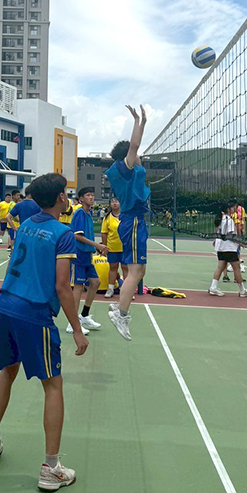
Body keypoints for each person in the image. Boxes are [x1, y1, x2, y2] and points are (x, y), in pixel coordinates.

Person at [0, 172, 87, 491]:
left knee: (8, 371)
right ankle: (51, 467)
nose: (68, 197)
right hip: (34, 312)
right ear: (61, 197)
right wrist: (77, 329)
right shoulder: (62, 233)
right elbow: (62, 287)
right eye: (66, 193)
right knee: (53, 385)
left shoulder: (25, 225)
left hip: (5, 305)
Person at [103, 105, 151, 341]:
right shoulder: (125, 168)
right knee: (134, 270)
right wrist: (137, 122)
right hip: (131, 222)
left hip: (135, 221)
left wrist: (143, 123)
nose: (139, 155)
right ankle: (121, 314)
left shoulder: (130, 171)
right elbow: (134, 146)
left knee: (140, 270)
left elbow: (135, 147)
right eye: (135, 153)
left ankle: (119, 304)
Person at [66, 187, 108, 335]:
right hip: (78, 255)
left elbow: (87, 236)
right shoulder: (79, 213)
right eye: (88, 195)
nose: (91, 197)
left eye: (92, 195)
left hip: (87, 255)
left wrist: (95, 248)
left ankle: (84, 315)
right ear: (81, 199)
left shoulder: (88, 214)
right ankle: (72, 323)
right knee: (78, 287)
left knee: (95, 282)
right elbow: (77, 236)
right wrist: (97, 245)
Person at [209, 203, 247, 298]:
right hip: (229, 248)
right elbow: (231, 236)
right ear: (228, 209)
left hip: (221, 248)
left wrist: (216, 241)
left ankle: (213, 287)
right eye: (233, 207)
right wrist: (240, 243)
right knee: (236, 268)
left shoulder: (220, 219)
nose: (235, 209)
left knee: (220, 267)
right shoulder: (228, 220)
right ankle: (242, 291)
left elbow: (217, 232)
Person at [101, 197, 128, 298]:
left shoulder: (126, 216)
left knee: (125, 268)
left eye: (116, 201)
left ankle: (126, 290)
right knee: (113, 268)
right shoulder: (107, 217)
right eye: (112, 202)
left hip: (125, 248)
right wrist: (104, 247)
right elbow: (104, 233)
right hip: (112, 247)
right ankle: (110, 289)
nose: (114, 203)